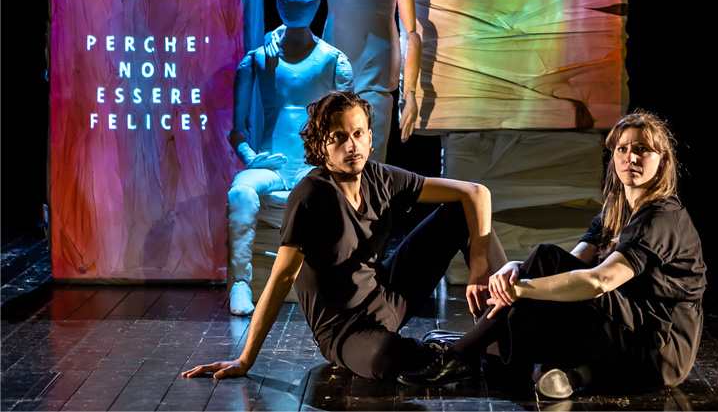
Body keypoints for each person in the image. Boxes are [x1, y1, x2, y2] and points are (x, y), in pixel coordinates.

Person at [182, 90, 507, 381]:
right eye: (339, 137)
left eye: (358, 134)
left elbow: (476, 193)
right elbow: (281, 279)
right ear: (320, 145)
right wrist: (245, 359)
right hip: (346, 332)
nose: (352, 146)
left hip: (386, 298)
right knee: (385, 359)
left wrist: (480, 267)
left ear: (370, 137)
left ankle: (504, 338)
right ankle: (455, 349)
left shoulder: (380, 177)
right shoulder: (311, 195)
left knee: (461, 214)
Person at [398, 111, 707, 399]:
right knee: (543, 270)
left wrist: (520, 289)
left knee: (545, 261)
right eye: (622, 149)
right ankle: (486, 352)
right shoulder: (614, 212)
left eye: (642, 150)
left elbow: (599, 281)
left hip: (657, 350)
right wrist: (516, 267)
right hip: (625, 331)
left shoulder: (662, 217)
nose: (631, 157)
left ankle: (461, 354)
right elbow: (568, 268)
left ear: (662, 160)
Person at [226, 0, 353, 315]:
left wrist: (330, 161)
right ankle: (241, 283)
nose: (294, 9)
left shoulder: (333, 61)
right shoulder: (257, 60)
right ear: (278, 5)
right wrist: (251, 158)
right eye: (287, 2)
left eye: (302, 3)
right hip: (270, 162)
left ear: (316, 6)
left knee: (325, 195)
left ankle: (331, 280)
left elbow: (347, 128)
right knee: (241, 193)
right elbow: (237, 131)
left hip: (313, 162)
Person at [267, 0, 423, 162]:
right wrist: (276, 34)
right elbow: (302, 2)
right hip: (335, 63)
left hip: (376, 66)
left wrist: (409, 93)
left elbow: (411, 33)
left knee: (371, 151)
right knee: (332, 145)